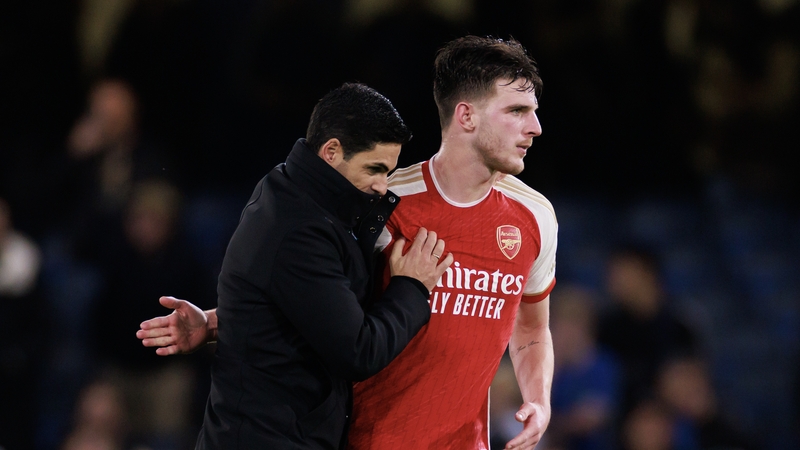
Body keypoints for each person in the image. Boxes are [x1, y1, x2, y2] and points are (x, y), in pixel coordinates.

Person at [139, 36, 557, 450]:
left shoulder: (536, 217)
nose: (535, 127)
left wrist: (538, 399)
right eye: (517, 110)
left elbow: (534, 327)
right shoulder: (379, 201)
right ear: (466, 115)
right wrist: (216, 323)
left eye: (533, 112)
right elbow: (320, 305)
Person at [140, 82, 453, 449]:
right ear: (332, 151)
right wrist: (412, 287)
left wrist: (216, 322)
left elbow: (295, 306)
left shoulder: (291, 189)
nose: (383, 186)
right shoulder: (300, 230)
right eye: (375, 168)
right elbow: (358, 351)